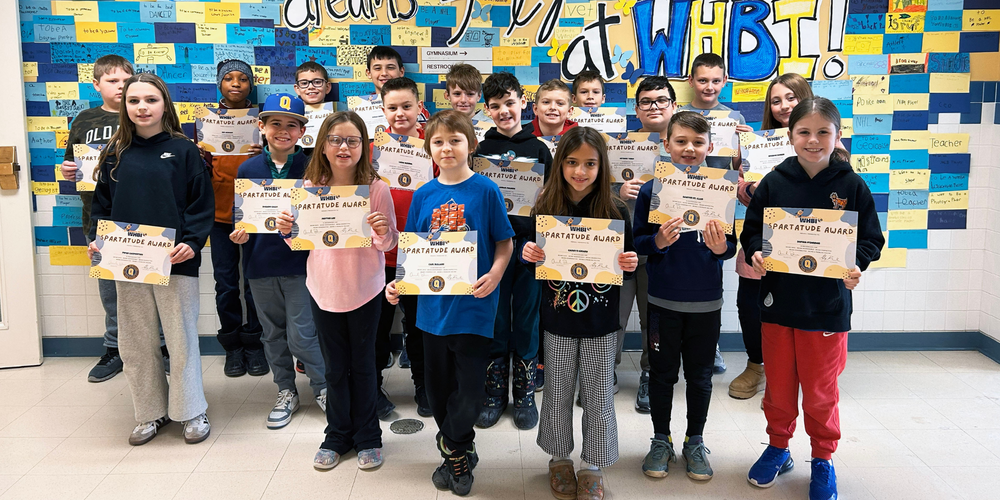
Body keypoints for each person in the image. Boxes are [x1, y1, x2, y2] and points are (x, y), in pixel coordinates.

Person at [741, 97, 883, 500]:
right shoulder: (774, 181)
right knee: (779, 390)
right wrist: (754, 250)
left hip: (826, 309)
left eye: (823, 132)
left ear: (837, 136)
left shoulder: (851, 185)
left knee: (821, 394)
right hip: (778, 306)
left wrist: (855, 264)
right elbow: (752, 231)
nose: (813, 140)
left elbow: (872, 238)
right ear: (791, 136)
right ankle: (778, 447)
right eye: (804, 132)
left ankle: (823, 458)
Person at [386, 110, 514, 496]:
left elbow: (504, 243)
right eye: (439, 141)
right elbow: (412, 251)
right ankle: (460, 450)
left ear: (471, 146)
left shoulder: (486, 190)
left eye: (455, 140)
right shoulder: (423, 194)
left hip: (474, 309)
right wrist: (398, 285)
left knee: (471, 392)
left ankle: (452, 448)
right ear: (429, 148)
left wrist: (494, 274)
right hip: (432, 313)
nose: (447, 148)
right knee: (439, 391)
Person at [89, 73, 214, 445]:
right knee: (135, 341)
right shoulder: (115, 152)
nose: (142, 107)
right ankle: (149, 412)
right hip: (127, 263)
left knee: (180, 339)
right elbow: (102, 207)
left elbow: (200, 204)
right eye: (134, 101)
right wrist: (98, 241)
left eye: (150, 100)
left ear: (165, 105)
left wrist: (192, 242)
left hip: (176, 260)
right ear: (124, 106)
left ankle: (191, 410)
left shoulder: (184, 150)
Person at [276, 111, 398, 471]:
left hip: (365, 289)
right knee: (334, 368)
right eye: (336, 140)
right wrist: (286, 230)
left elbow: (387, 244)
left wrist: (381, 229)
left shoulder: (377, 189)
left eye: (353, 140)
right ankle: (337, 435)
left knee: (363, 366)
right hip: (323, 290)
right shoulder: (307, 188)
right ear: (323, 146)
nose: (344, 147)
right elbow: (298, 245)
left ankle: (368, 436)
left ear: (364, 146)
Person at [522, 126, 638, 500]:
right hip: (557, 319)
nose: (580, 171)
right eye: (571, 162)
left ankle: (593, 465)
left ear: (602, 165)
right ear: (560, 164)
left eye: (590, 163)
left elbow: (628, 263)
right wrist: (530, 256)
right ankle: (559, 459)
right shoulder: (545, 204)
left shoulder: (615, 208)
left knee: (598, 394)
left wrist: (630, 261)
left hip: (602, 322)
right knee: (556, 392)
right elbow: (535, 264)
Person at [634, 112, 737, 481]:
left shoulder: (722, 188)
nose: (689, 149)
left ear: (710, 145)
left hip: (706, 302)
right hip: (663, 301)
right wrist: (657, 242)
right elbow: (638, 241)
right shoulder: (651, 191)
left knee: (701, 376)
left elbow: (731, 247)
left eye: (697, 142)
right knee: (662, 375)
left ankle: (695, 440)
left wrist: (723, 246)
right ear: (666, 145)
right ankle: (661, 439)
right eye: (680, 141)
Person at [59, 55, 163, 382]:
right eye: (112, 81)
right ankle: (114, 348)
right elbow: (70, 166)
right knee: (110, 288)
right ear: (97, 85)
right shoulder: (84, 120)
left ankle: (159, 347)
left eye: (125, 80)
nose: (119, 87)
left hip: (147, 217)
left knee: (154, 284)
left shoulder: (143, 119)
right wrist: (67, 170)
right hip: (101, 217)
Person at [228, 93, 328, 429]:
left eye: (291, 125)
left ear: (302, 130)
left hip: (302, 265)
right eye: (274, 123)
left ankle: (323, 387)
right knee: (272, 334)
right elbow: (239, 217)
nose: (282, 130)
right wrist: (239, 232)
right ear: (261, 126)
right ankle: (286, 390)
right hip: (260, 266)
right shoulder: (248, 168)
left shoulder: (315, 166)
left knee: (303, 334)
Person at [728, 73, 815, 400]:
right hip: (760, 236)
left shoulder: (824, 139)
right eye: (776, 100)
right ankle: (756, 366)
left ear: (804, 98)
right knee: (749, 304)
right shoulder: (760, 140)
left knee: (798, 305)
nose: (783, 106)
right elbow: (739, 188)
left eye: (790, 98)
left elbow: (837, 187)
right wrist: (751, 182)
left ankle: (795, 370)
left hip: (804, 240)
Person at [475, 72, 553, 430]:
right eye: (495, 106)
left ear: (523, 102)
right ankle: (493, 392)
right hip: (491, 247)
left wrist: (543, 200)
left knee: (526, 317)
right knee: (495, 317)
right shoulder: (480, 150)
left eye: (509, 102)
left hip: (529, 247)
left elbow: (554, 200)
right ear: (487, 110)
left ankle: (523, 392)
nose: (504, 111)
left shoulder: (540, 149)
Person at [679, 52, 753, 373]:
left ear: (725, 82)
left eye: (715, 80)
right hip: (680, 202)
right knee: (681, 271)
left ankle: (711, 347)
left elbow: (740, 167)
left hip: (718, 207)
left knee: (712, 275)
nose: (709, 86)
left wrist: (743, 145)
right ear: (691, 81)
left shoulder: (732, 117)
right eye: (702, 80)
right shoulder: (679, 114)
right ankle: (678, 343)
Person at [373, 77, 435, 419]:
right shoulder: (371, 150)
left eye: (407, 106)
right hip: (380, 255)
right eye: (392, 107)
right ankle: (374, 385)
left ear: (418, 107)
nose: (400, 113)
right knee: (379, 327)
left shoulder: (432, 148)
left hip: (423, 254)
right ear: (383, 110)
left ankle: (424, 385)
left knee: (419, 326)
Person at [201, 59, 266, 378]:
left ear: (252, 85)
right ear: (219, 85)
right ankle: (233, 347)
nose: (236, 83)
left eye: (243, 79)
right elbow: (200, 170)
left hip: (256, 213)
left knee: (254, 282)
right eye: (229, 79)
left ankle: (256, 344)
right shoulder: (207, 122)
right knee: (226, 284)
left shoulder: (263, 121)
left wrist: (263, 151)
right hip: (220, 215)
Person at [618, 76, 679, 413]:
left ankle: (649, 374)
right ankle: (604, 372)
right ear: (637, 109)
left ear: (673, 105)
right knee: (615, 314)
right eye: (646, 102)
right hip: (623, 244)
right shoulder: (620, 144)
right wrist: (618, 191)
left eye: (660, 100)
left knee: (653, 317)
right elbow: (595, 188)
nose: (654, 106)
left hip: (665, 248)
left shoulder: (686, 144)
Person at [293, 61, 333, 158]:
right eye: (304, 83)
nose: (311, 87)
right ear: (297, 89)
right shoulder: (291, 118)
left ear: (327, 87)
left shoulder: (336, 119)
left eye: (317, 82)